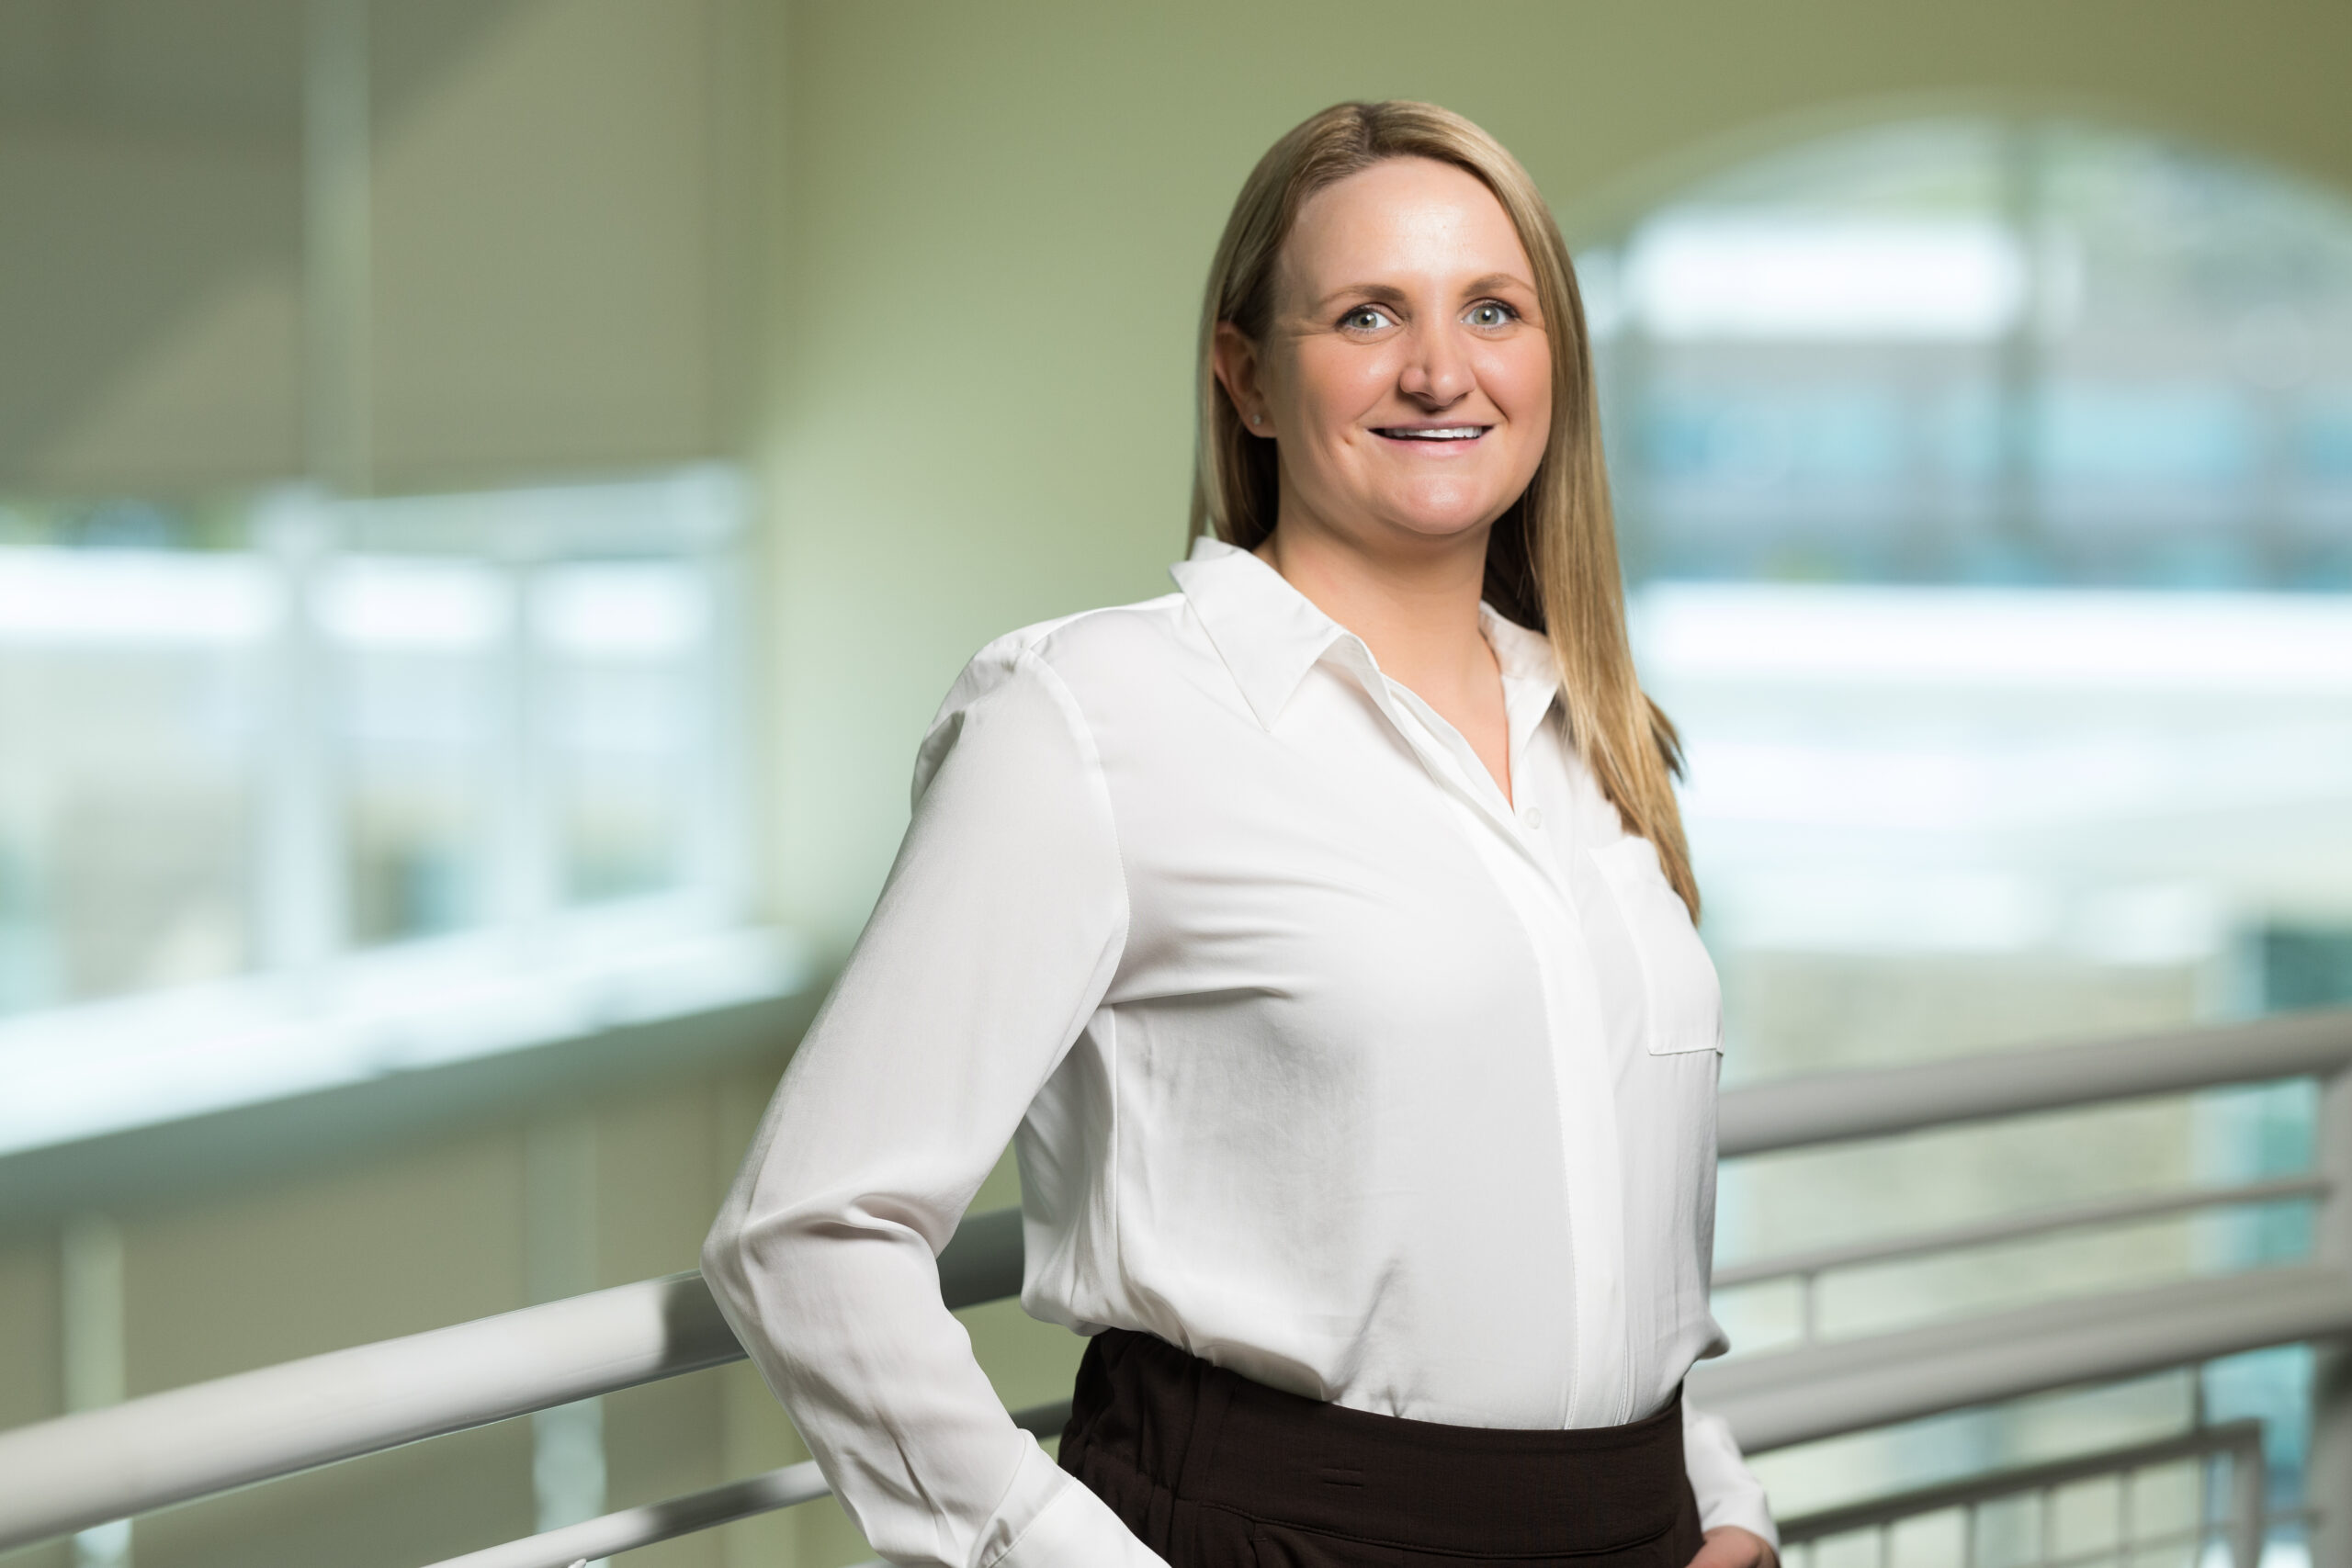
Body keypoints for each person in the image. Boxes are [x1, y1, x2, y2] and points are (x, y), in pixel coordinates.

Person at [704, 99, 1778, 1568]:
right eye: (1364, 315)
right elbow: (807, 1231)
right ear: (1247, 379)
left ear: (1553, 362)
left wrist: (1722, 1499)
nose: (1439, 368)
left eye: (1492, 308)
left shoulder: (1594, 730)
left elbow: (1575, 1214)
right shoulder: (1089, 716)